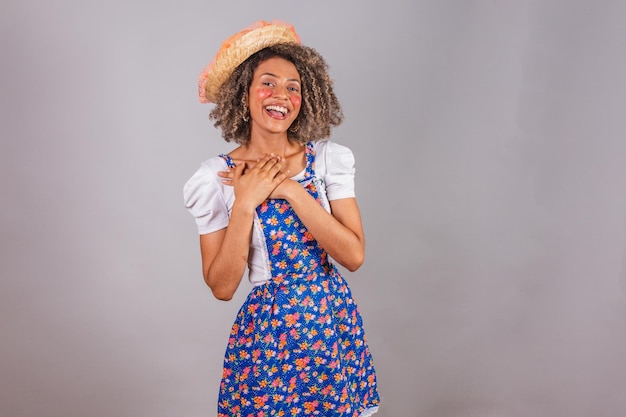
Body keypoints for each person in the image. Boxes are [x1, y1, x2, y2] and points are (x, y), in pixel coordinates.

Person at [184, 20, 380, 417]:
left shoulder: (328, 161)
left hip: (330, 324)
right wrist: (244, 203)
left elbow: (353, 256)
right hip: (268, 336)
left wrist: (290, 189)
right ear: (244, 95)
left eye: (294, 87)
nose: (281, 95)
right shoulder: (215, 178)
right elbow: (222, 287)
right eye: (267, 83)